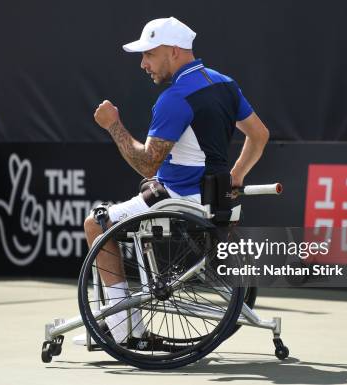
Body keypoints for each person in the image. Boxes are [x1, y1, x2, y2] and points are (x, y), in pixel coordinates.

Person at [77, 16, 270, 345]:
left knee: (95, 224)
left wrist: (113, 125)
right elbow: (260, 135)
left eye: (149, 54)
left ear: (174, 51)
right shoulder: (224, 83)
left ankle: (123, 332)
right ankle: (125, 324)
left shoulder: (174, 99)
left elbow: (146, 163)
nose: (143, 64)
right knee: (144, 193)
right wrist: (236, 177)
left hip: (178, 202)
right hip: (214, 201)